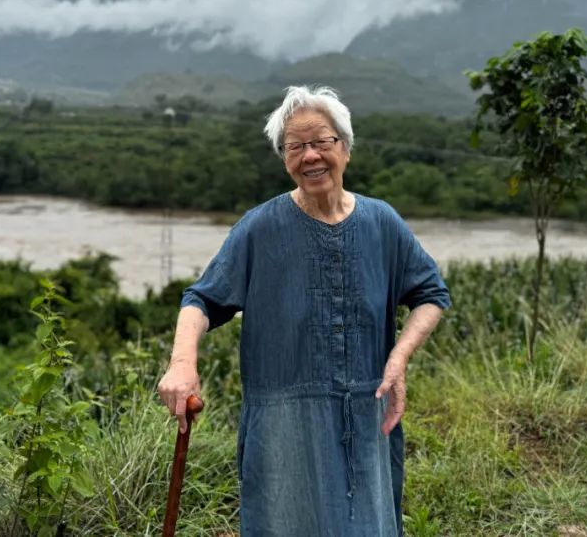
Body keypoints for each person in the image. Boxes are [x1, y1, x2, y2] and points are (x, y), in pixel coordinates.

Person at [157, 85, 451, 537]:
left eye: (321, 142)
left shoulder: (382, 223)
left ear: (345, 148)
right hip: (284, 428)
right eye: (296, 147)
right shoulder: (259, 228)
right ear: (284, 159)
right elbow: (201, 300)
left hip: (367, 419)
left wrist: (399, 358)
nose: (310, 156)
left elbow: (431, 294)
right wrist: (182, 364)